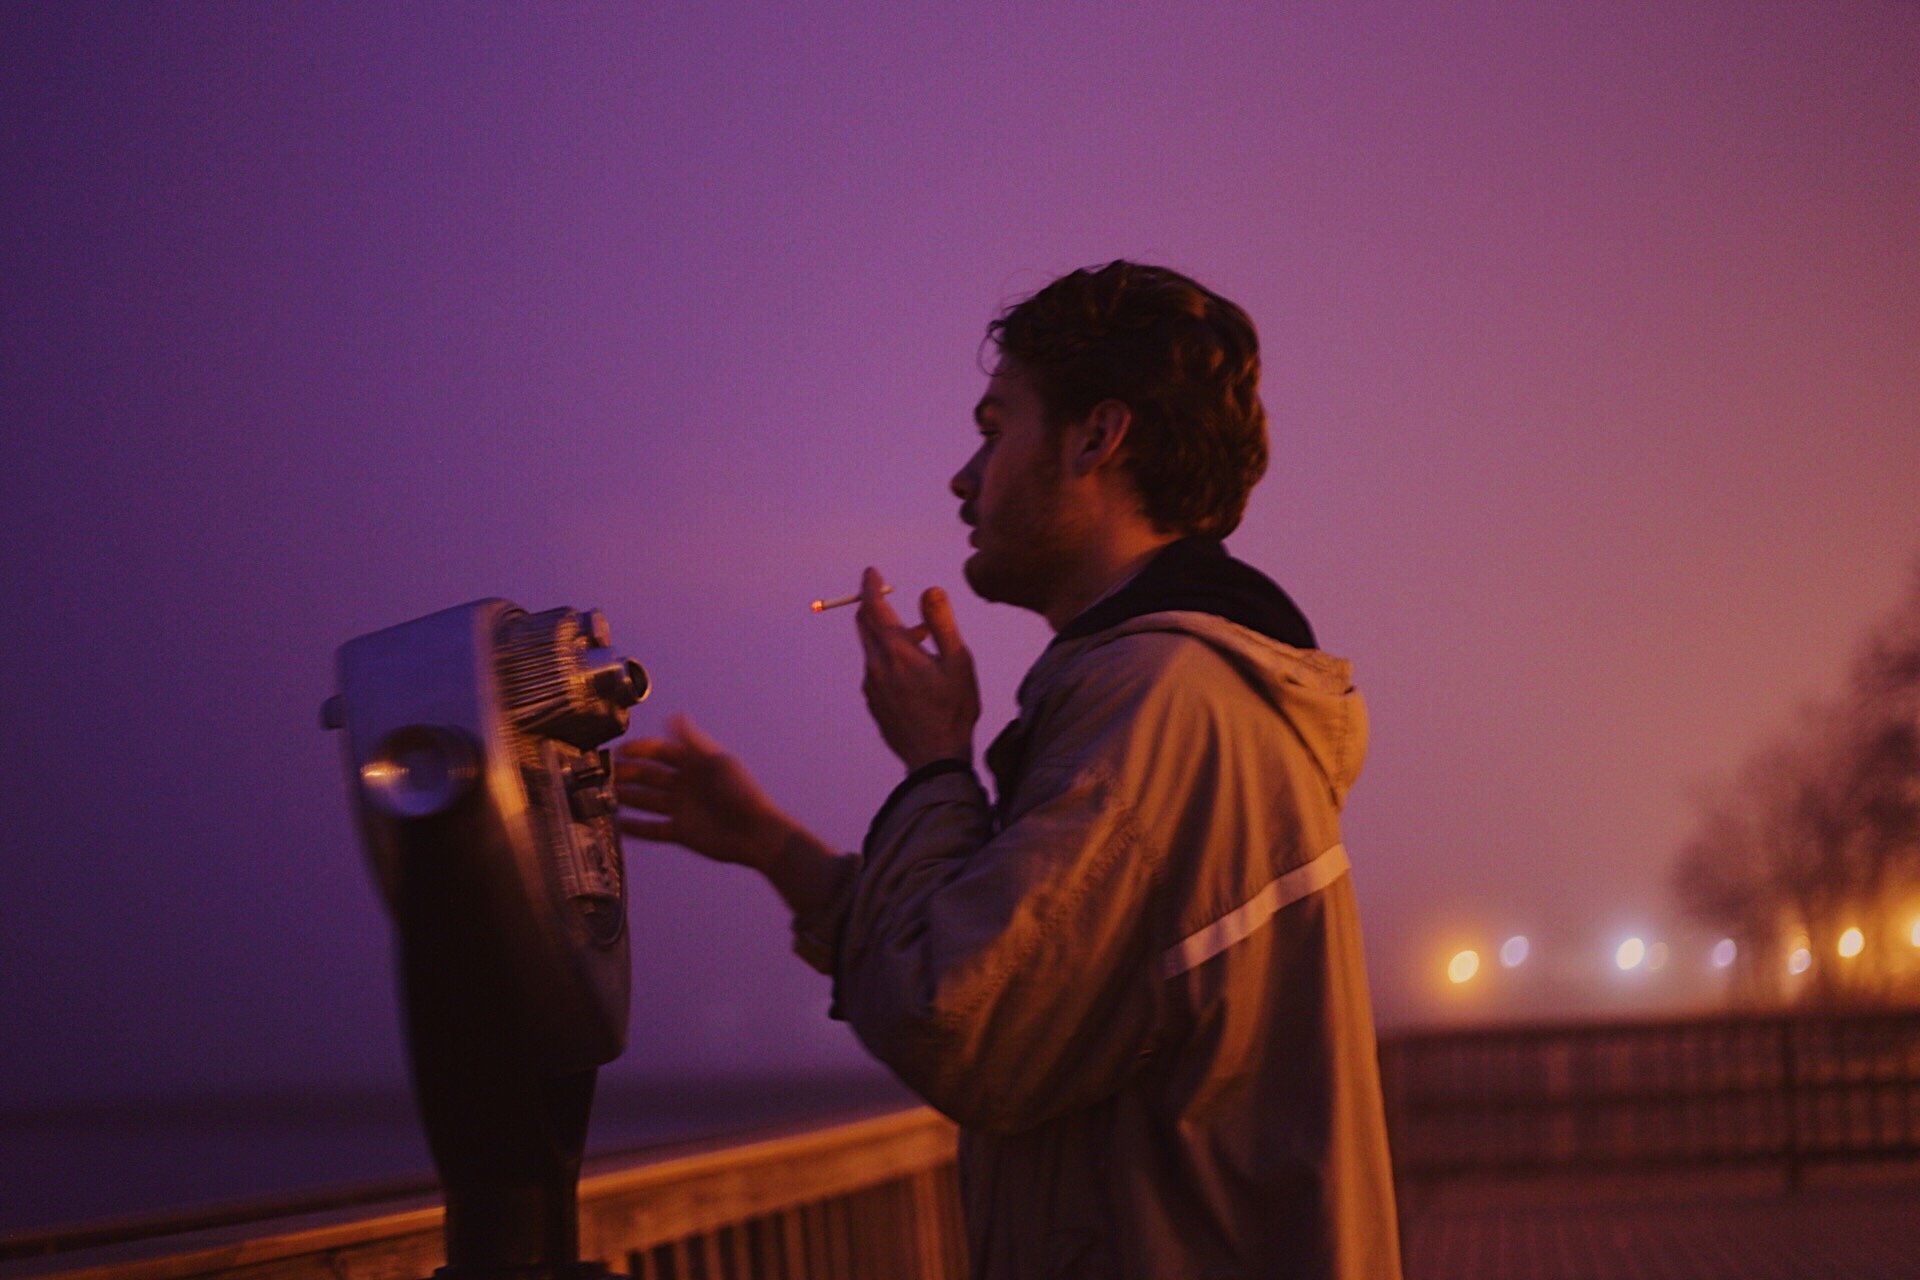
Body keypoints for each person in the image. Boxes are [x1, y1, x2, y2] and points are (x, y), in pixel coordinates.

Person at [614, 261, 1402, 1279]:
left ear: (1095, 436)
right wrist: (771, 842)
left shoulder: (1163, 697)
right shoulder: (1170, 686)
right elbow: (1024, 942)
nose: (963, 475)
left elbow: (964, 1018)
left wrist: (936, 760)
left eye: (994, 427)